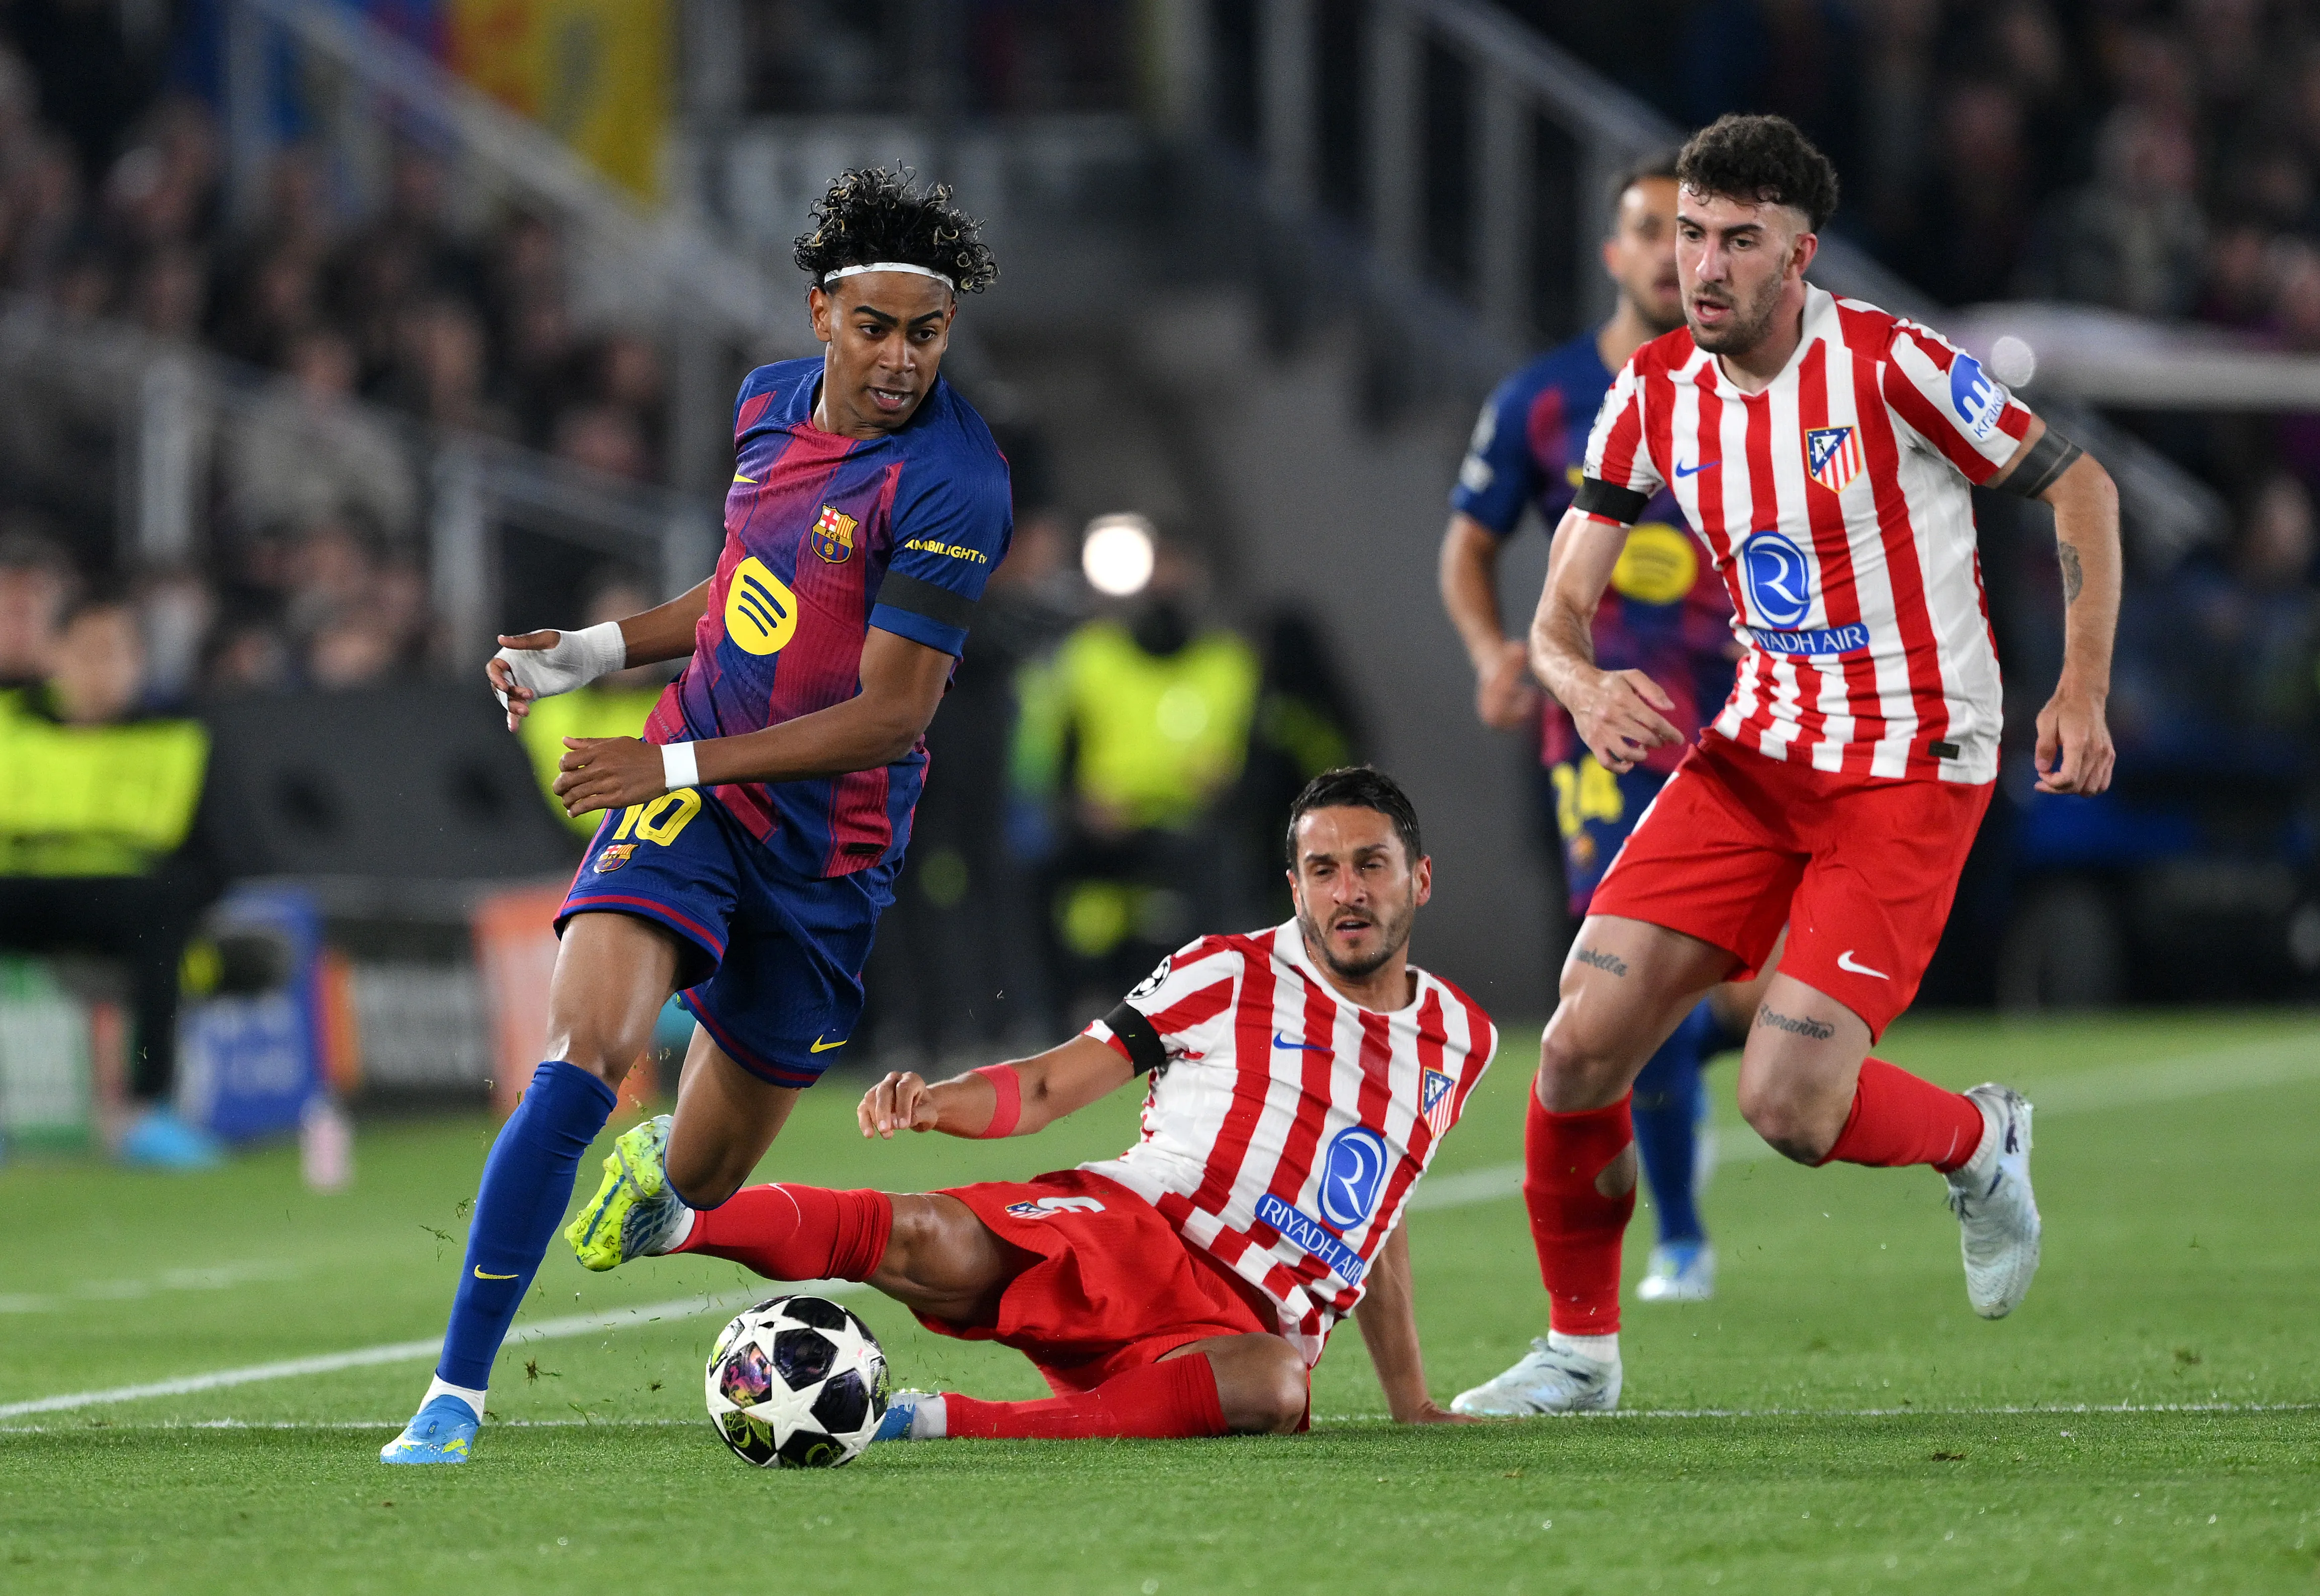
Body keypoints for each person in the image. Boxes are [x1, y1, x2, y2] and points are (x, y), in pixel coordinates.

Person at [1452, 114, 2119, 1418]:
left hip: (1909, 759)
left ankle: (1979, 1141)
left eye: (1734, 240)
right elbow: (1555, 609)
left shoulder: (1887, 362)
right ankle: (1577, 1355)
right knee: (1578, 1043)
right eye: (1688, 234)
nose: (1699, 265)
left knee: (1788, 1101)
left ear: (1795, 254)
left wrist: (2080, 686)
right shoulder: (1648, 389)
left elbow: (2078, 483)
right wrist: (1580, 684)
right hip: (1754, 751)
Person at [381, 167, 1012, 1464]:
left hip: (827, 852)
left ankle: (666, 1175)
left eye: (926, 333)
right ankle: (453, 1393)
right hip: (698, 794)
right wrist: (596, 651)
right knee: (583, 1053)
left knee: (709, 1177)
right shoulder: (768, 405)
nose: (900, 360)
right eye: (875, 326)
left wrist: (674, 766)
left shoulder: (954, 484)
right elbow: (744, 586)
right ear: (821, 312)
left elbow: (893, 716)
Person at [569, 768, 1492, 1439]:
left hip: (1240, 1335)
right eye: (1324, 870)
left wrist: (1408, 1398)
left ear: (1421, 877)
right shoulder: (1229, 971)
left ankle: (940, 1423)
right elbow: (1054, 1083)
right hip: (1136, 1232)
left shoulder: (1463, 1039)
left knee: (1279, 1386)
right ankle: (682, 1221)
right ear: (1294, 888)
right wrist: (938, 1104)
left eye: (1371, 865)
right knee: (927, 1239)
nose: (1350, 892)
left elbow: (1386, 1212)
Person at [1438, 154, 1759, 1304]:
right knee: (1635, 976)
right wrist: (1493, 652)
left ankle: (1713, 1042)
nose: (1678, 256)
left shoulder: (1764, 386)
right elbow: (1468, 543)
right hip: (1607, 732)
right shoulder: (1542, 398)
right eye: (1651, 230)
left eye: (1699, 234)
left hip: (1761, 720)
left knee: (1777, 997)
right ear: (1615, 252)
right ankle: (1680, 1236)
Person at [0, 591, 221, 1167]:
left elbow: (217, 853)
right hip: (20, 887)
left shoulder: (179, 735)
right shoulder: (10, 723)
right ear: (55, 656)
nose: (102, 670)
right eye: (88, 653)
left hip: (123, 897)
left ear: (140, 662)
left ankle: (150, 1110)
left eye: (117, 654)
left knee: (164, 906)